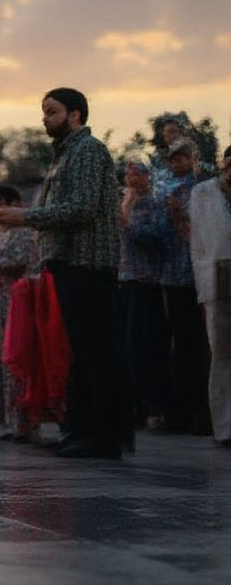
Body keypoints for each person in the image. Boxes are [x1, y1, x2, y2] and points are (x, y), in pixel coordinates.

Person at [0, 88, 132, 459]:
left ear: (75, 115)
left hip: (88, 261)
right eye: (44, 112)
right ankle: (82, 429)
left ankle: (105, 437)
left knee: (97, 351)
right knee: (80, 351)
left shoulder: (87, 150)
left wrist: (26, 218)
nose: (45, 119)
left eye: (52, 112)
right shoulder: (64, 155)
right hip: (68, 262)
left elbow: (82, 208)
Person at [0, 186, 40, 440]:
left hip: (15, 302)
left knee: (17, 358)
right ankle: (9, 421)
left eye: (1, 203)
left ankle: (26, 422)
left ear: (16, 204)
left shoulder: (24, 232)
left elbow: (16, 260)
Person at [159, 140, 211, 434]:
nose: (177, 162)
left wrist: (181, 216)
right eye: (173, 158)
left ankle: (205, 415)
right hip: (174, 277)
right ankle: (183, 413)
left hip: (201, 277)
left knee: (203, 347)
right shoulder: (165, 190)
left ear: (195, 158)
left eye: (183, 157)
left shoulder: (205, 188)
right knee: (181, 348)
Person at [118, 158, 171, 426]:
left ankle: (152, 404)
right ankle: (132, 404)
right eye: (128, 173)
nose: (131, 178)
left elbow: (157, 236)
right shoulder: (124, 202)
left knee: (145, 344)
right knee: (126, 345)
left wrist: (128, 225)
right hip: (124, 279)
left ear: (146, 176)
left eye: (136, 173)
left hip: (146, 280)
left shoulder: (154, 202)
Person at [189, 146, 231, 446]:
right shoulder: (204, 192)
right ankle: (224, 427)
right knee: (222, 354)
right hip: (218, 276)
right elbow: (200, 241)